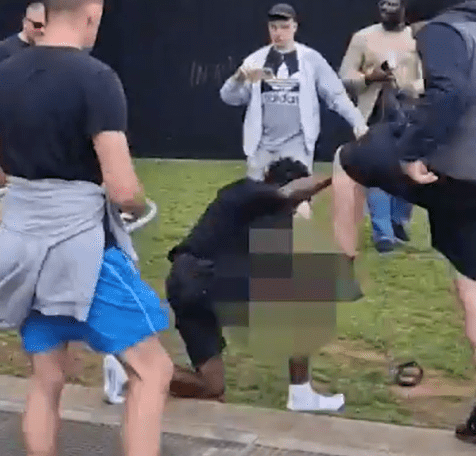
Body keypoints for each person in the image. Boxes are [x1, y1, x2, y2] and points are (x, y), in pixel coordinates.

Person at [0, 0, 174, 456]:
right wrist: (140, 204)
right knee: (153, 371)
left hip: (19, 246)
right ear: (91, 15)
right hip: (82, 248)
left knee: (47, 377)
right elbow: (121, 187)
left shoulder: (3, 76)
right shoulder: (97, 79)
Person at [330, 0, 476, 449]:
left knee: (346, 159)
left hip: (448, 173)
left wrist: (412, 151)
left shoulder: (443, 31)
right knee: (472, 284)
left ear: (421, 19)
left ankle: (341, 271)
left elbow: (451, 94)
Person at [103, 158, 347, 412]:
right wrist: (340, 173)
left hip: (186, 284)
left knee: (211, 387)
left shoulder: (268, 215)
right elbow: (288, 194)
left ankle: (126, 369)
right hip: (204, 278)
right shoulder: (248, 192)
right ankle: (301, 394)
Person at [220, 3, 368, 181]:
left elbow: (336, 96)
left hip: (297, 144)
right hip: (261, 146)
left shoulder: (310, 59)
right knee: (257, 201)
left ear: (295, 27)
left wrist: (358, 123)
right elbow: (230, 97)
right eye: (273, 27)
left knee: (296, 198)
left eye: (284, 27)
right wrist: (238, 77)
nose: (278, 33)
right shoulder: (256, 59)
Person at [339, 0, 422, 253]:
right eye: (383, 4)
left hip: (409, 111)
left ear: (404, 9)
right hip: (374, 112)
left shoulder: (417, 38)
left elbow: (429, 75)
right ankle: (382, 232)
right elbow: (344, 76)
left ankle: (398, 220)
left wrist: (412, 88)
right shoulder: (363, 38)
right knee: (377, 171)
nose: (387, 8)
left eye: (393, 5)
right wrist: (369, 78)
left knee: (407, 170)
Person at [0, 1, 46, 84]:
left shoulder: (51, 51)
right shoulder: (2, 51)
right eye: (37, 25)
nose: (42, 30)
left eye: (46, 26)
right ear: (25, 23)